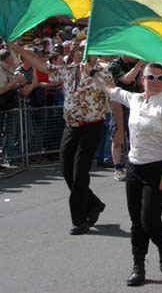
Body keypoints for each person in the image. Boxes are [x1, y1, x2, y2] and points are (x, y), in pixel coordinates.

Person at [94, 62, 162, 287]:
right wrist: (93, 70)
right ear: (142, 79)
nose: (155, 81)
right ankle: (139, 267)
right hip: (134, 167)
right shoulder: (134, 99)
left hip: (158, 169)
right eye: (151, 77)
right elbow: (112, 90)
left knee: (149, 219)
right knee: (136, 222)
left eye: (161, 78)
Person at [9, 41, 110, 235]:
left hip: (92, 126)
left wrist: (120, 128)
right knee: (66, 170)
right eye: (79, 50)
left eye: (87, 51)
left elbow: (112, 95)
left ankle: (80, 219)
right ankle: (94, 203)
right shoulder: (67, 70)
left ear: (95, 54)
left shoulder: (102, 74)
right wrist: (18, 48)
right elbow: (42, 65)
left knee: (80, 173)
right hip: (71, 126)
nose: (81, 53)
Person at [108, 55, 144, 181]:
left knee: (135, 136)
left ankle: (135, 166)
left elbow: (139, 83)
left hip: (134, 105)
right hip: (118, 105)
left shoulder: (134, 65)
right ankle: (118, 168)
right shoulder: (114, 65)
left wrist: (142, 70)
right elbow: (126, 79)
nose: (136, 57)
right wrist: (138, 65)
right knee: (118, 136)